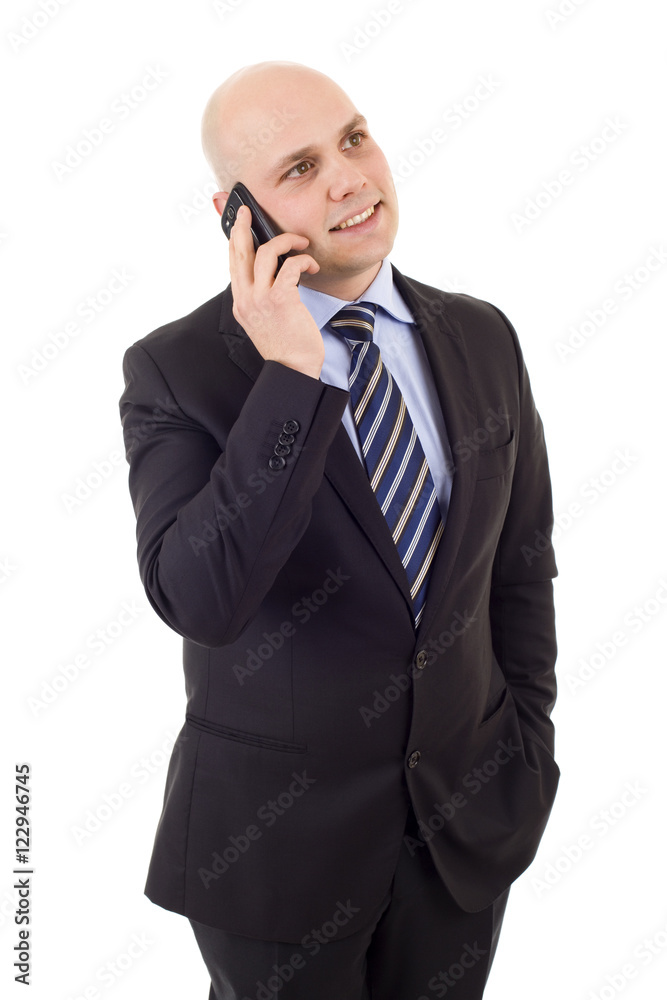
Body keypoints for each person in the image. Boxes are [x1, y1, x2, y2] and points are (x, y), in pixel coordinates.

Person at [119, 60, 559, 1000]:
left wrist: (526, 749)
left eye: (354, 139)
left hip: (461, 837)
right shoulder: (176, 370)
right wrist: (292, 375)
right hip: (276, 858)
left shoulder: (483, 336)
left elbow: (519, 570)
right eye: (299, 168)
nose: (349, 178)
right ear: (237, 216)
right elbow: (201, 599)